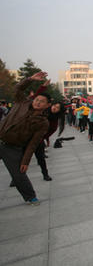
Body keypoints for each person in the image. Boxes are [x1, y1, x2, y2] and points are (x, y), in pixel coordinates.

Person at [0, 72, 50, 205]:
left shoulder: (42, 122)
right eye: (37, 100)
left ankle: (30, 196)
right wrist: (30, 79)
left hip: (12, 147)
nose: (38, 102)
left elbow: (33, 143)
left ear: (47, 105)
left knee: (18, 174)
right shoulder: (22, 102)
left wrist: (26, 161)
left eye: (42, 102)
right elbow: (17, 89)